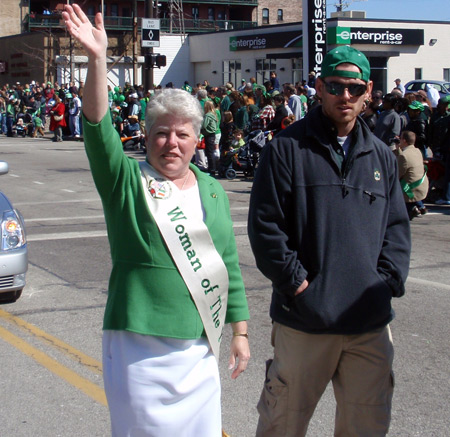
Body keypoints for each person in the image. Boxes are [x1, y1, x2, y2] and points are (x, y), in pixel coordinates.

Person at [62, 5, 250, 436]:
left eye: (182, 134)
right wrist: (97, 60)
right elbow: (96, 126)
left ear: (196, 140)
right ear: (146, 136)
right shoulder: (125, 180)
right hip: (138, 346)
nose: (171, 143)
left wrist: (239, 331)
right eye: (161, 132)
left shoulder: (213, 190)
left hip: (199, 350)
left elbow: (228, 265)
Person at [248, 46, 411, 437]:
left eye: (355, 87)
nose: (345, 95)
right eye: (336, 86)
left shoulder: (382, 158)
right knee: (281, 426)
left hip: (367, 325)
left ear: (368, 91)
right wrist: (298, 285)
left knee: (366, 428)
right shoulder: (286, 149)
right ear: (319, 88)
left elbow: (397, 228)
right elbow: (266, 227)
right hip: (304, 322)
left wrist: (385, 283)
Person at [395, 130, 429, 219]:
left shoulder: (404, 155)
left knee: (395, 183)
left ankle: (412, 209)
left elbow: (397, 174)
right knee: (409, 177)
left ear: (404, 141)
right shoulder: (417, 151)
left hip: (411, 190)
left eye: (400, 138)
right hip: (422, 186)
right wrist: (399, 149)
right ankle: (420, 206)